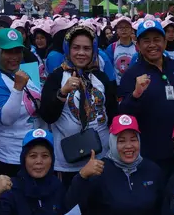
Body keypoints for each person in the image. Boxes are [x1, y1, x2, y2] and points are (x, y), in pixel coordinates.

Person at [67, 115, 162, 215]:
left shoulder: (152, 170)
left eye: (133, 139)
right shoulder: (99, 169)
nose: (128, 146)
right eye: (121, 141)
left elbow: (161, 211)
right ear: (112, 142)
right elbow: (72, 207)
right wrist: (82, 177)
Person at [39, 25, 117, 186]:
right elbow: (47, 115)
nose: (81, 53)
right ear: (67, 49)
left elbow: (113, 113)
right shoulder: (56, 77)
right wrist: (62, 92)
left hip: (100, 158)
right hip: (68, 163)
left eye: (87, 48)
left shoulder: (100, 77)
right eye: (76, 48)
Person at [118, 19, 174, 175]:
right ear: (138, 45)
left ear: (164, 41)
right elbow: (123, 113)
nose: (152, 45)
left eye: (157, 40)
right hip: (148, 152)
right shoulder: (131, 74)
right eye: (146, 41)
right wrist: (135, 95)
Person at [0, 28, 42, 177]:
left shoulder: (21, 73)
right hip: (8, 158)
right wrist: (17, 89)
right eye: (8, 52)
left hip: (29, 152)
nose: (14, 57)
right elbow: (7, 119)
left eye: (18, 51)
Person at [106, 16, 137, 85]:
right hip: (118, 86)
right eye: (120, 27)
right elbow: (109, 70)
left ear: (131, 29)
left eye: (126, 27)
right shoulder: (111, 48)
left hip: (135, 86)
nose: (124, 30)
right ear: (117, 30)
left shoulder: (138, 47)